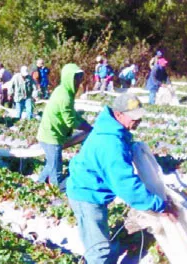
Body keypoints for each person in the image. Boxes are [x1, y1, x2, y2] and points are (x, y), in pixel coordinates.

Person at [66, 93, 175, 263]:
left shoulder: (112, 129)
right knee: (99, 250)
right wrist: (158, 205)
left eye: (139, 117)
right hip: (86, 194)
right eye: (134, 118)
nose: (137, 121)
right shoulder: (111, 144)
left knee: (98, 232)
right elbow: (126, 185)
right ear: (118, 114)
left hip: (91, 188)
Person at [37, 63, 92, 187]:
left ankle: (39, 184)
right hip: (51, 137)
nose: (79, 81)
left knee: (51, 164)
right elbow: (70, 121)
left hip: (49, 134)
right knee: (56, 172)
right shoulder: (65, 96)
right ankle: (58, 188)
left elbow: (72, 113)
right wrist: (86, 127)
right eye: (76, 78)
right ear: (69, 78)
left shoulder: (64, 90)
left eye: (79, 78)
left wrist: (84, 123)